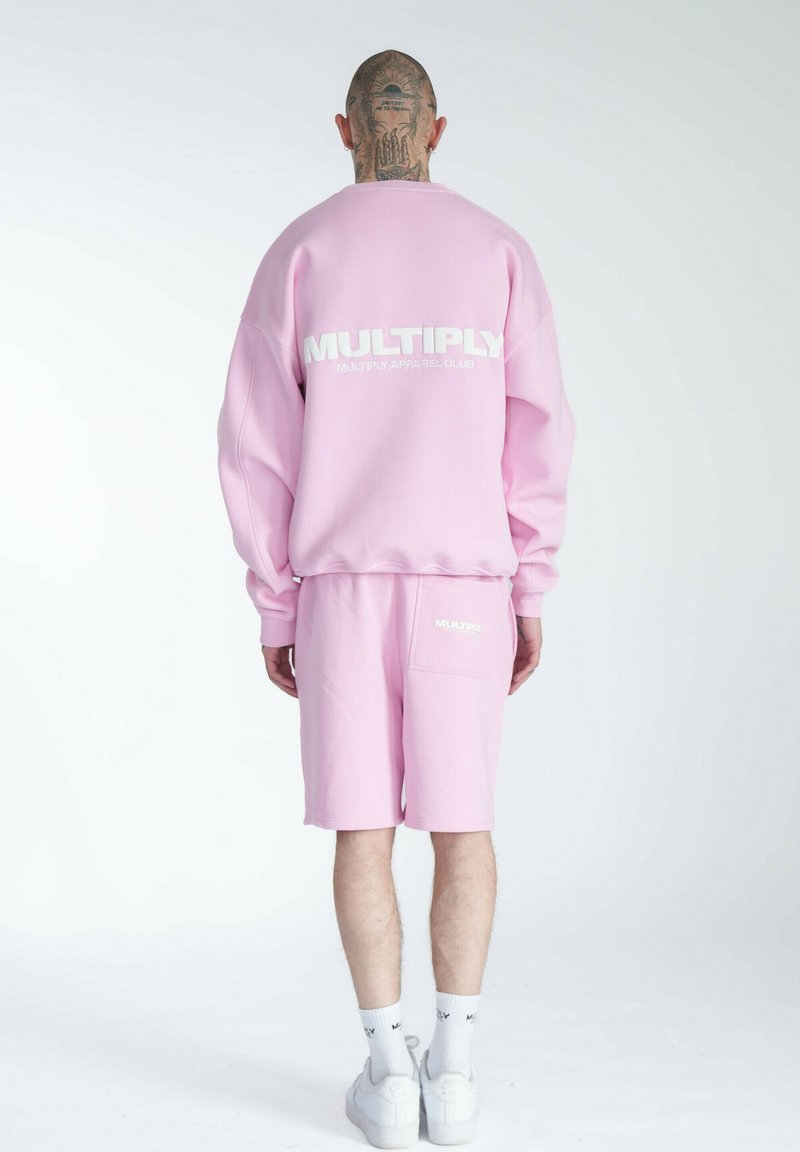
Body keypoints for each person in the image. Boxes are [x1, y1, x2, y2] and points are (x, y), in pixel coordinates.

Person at [216, 47, 576, 1148]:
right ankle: (452, 1079)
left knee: (362, 832)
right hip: (466, 580)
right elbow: (538, 433)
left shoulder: (300, 253)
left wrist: (275, 603)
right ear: (436, 130)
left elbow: (256, 448)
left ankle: (387, 1074)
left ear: (345, 131)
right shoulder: (496, 252)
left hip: (339, 588)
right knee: (463, 828)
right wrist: (529, 583)